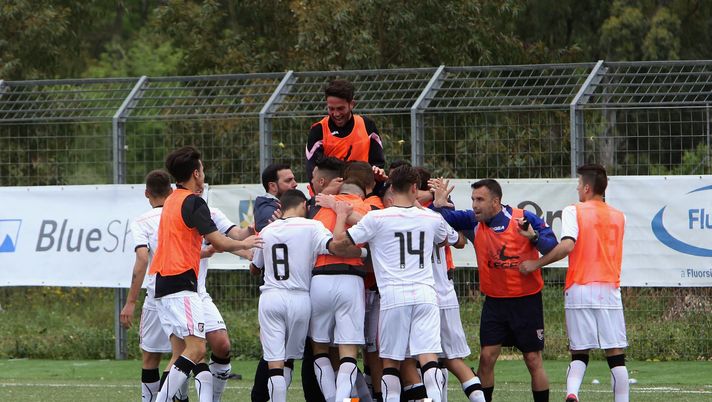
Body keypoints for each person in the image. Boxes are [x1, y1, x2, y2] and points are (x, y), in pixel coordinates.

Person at [330, 165, 462, 402]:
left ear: (391, 188)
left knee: (391, 362)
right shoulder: (431, 218)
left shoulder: (377, 218)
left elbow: (342, 242)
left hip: (393, 297)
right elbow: (454, 240)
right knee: (429, 359)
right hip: (425, 295)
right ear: (414, 188)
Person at [429, 178, 557, 402]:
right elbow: (434, 219)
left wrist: (533, 237)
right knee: (486, 358)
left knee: (533, 359)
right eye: (472, 200)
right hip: (495, 302)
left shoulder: (523, 218)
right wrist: (438, 204)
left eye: (480, 199)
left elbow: (551, 246)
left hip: (526, 301)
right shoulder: (473, 221)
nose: (474, 205)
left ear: (496, 201)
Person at [151, 146, 262, 402]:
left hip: (167, 283)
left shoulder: (172, 200)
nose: (203, 173)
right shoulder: (193, 201)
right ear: (195, 173)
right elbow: (220, 242)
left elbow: (226, 236)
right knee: (197, 348)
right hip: (180, 283)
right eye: (202, 169)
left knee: (189, 351)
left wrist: (244, 238)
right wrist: (246, 244)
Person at [519, 164, 628, 402]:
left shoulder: (574, 210)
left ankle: (572, 393)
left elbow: (568, 245)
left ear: (587, 187)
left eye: (579, 184)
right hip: (609, 288)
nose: (577, 188)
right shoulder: (620, 216)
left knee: (579, 353)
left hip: (579, 287)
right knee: (615, 355)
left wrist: (536, 264)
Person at [250, 190, 363, 402]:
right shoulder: (312, 226)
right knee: (291, 359)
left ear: (281, 207)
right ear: (303, 204)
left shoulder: (267, 230)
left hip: (271, 296)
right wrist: (342, 219)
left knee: (275, 362)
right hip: (300, 298)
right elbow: (336, 247)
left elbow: (255, 268)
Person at [120, 170, 175, 402]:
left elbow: (142, 259)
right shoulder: (182, 215)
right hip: (186, 292)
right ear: (171, 191)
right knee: (186, 354)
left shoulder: (142, 221)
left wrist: (130, 302)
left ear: (146, 193)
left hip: (156, 294)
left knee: (151, 357)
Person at [305, 79, 385, 185]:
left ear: (351, 104)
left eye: (340, 108)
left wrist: (377, 172)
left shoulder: (367, 125)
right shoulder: (318, 130)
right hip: (330, 193)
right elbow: (313, 172)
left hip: (362, 191)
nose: (336, 114)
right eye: (331, 109)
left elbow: (377, 164)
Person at [254, 163, 298, 232]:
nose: (295, 184)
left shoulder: (282, 205)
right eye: (288, 181)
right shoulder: (269, 212)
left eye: (294, 179)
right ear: (272, 186)